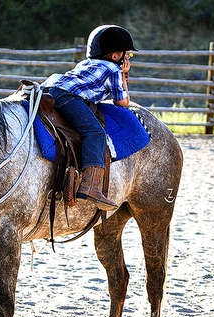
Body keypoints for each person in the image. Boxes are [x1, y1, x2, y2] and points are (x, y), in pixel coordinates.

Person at [42, 25, 136, 211]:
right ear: (115, 56)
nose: (128, 58)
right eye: (127, 54)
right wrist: (124, 75)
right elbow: (122, 103)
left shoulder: (86, 63)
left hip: (50, 88)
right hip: (67, 96)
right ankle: (90, 186)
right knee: (95, 132)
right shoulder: (113, 70)